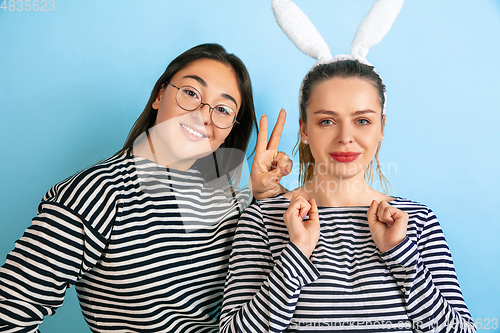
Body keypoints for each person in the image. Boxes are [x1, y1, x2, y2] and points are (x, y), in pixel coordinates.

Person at [0, 43, 292, 333]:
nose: (204, 115)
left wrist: (266, 200)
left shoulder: (225, 195)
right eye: (191, 93)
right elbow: (7, 315)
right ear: (160, 95)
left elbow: (266, 295)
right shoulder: (97, 192)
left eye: (223, 109)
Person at [220, 59, 476, 332]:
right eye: (327, 121)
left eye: (362, 120)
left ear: (382, 127)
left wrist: (401, 254)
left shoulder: (417, 220)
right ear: (305, 129)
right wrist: (296, 254)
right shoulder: (262, 219)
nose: (345, 137)